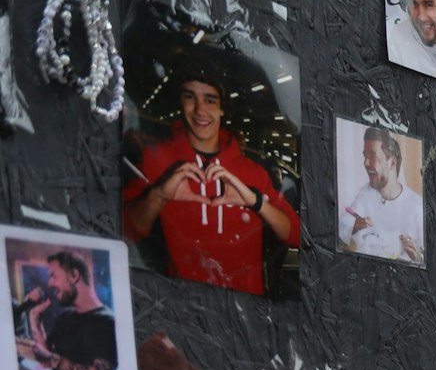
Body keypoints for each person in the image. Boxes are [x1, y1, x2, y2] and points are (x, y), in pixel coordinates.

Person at [121, 60, 302, 297]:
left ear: (222, 108)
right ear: (181, 101)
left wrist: (256, 202)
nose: (200, 110)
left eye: (209, 100)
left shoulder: (252, 172)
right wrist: (159, 195)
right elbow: (124, 231)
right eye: (190, 97)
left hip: (248, 311)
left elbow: (295, 236)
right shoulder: (156, 159)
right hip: (180, 304)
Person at [14, 249, 119, 370]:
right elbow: (47, 357)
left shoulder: (107, 321)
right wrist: (35, 319)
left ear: (74, 275)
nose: (50, 283)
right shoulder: (66, 317)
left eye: (53, 276)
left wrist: (52, 360)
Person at [341, 127, 423, 264]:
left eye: (372, 156)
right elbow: (342, 224)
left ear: (392, 163)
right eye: (364, 156)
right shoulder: (365, 194)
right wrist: (353, 227)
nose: (365, 163)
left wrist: (418, 257)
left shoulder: (417, 207)